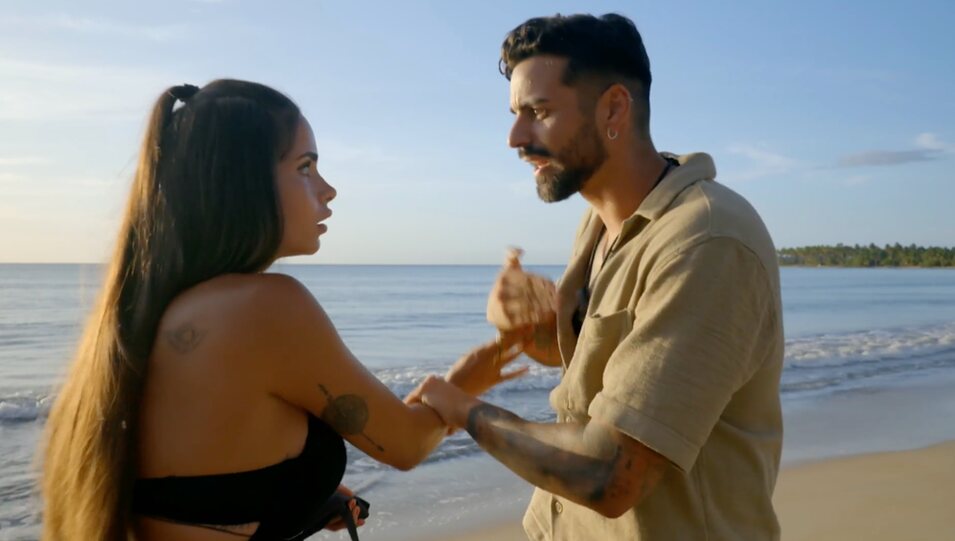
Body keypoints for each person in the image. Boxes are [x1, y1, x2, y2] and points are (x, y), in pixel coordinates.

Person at [40, 79, 526, 541]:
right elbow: (404, 444)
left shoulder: (160, 311)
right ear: (241, 184)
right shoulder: (267, 306)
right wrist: (462, 385)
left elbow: (199, 483)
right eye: (305, 167)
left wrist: (299, 498)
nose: (327, 189)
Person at [414, 13, 785, 540]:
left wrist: (463, 410)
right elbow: (606, 368)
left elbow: (611, 473)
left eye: (539, 112)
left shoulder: (707, 241)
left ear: (613, 108)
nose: (515, 137)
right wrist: (535, 334)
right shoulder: (600, 224)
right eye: (516, 114)